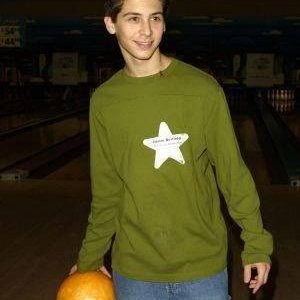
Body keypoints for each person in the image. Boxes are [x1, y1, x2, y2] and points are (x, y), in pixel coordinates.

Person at [70, 0, 273, 299]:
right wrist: (90, 256)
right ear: (111, 24)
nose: (146, 31)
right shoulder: (104, 101)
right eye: (133, 19)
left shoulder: (202, 89)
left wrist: (255, 242)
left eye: (155, 18)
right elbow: (106, 190)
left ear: (164, 23)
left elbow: (232, 174)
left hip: (203, 267)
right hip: (135, 270)